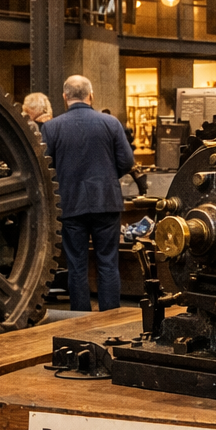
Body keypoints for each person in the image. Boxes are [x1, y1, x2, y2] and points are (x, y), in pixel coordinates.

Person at [41, 76, 135, 311]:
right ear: (90, 95)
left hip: (71, 204)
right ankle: (111, 315)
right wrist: (106, 177)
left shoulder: (51, 127)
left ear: (65, 97)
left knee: (76, 265)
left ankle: (80, 319)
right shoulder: (111, 123)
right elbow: (127, 161)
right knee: (108, 263)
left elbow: (45, 168)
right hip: (106, 202)